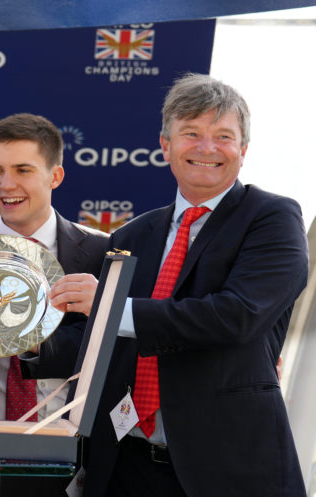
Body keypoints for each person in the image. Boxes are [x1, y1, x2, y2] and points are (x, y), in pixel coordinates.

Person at [81, 73, 308, 497]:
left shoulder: (272, 219)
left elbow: (236, 316)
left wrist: (111, 308)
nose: (207, 148)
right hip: (125, 465)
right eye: (191, 134)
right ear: (166, 145)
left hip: (226, 469)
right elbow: (103, 348)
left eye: (223, 136)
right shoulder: (132, 236)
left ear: (243, 150)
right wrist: (34, 340)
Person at [0, 113, 109, 496]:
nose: (6, 185)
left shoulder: (104, 254)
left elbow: (111, 352)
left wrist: (27, 338)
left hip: (74, 462)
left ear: (56, 176)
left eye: (22, 169)